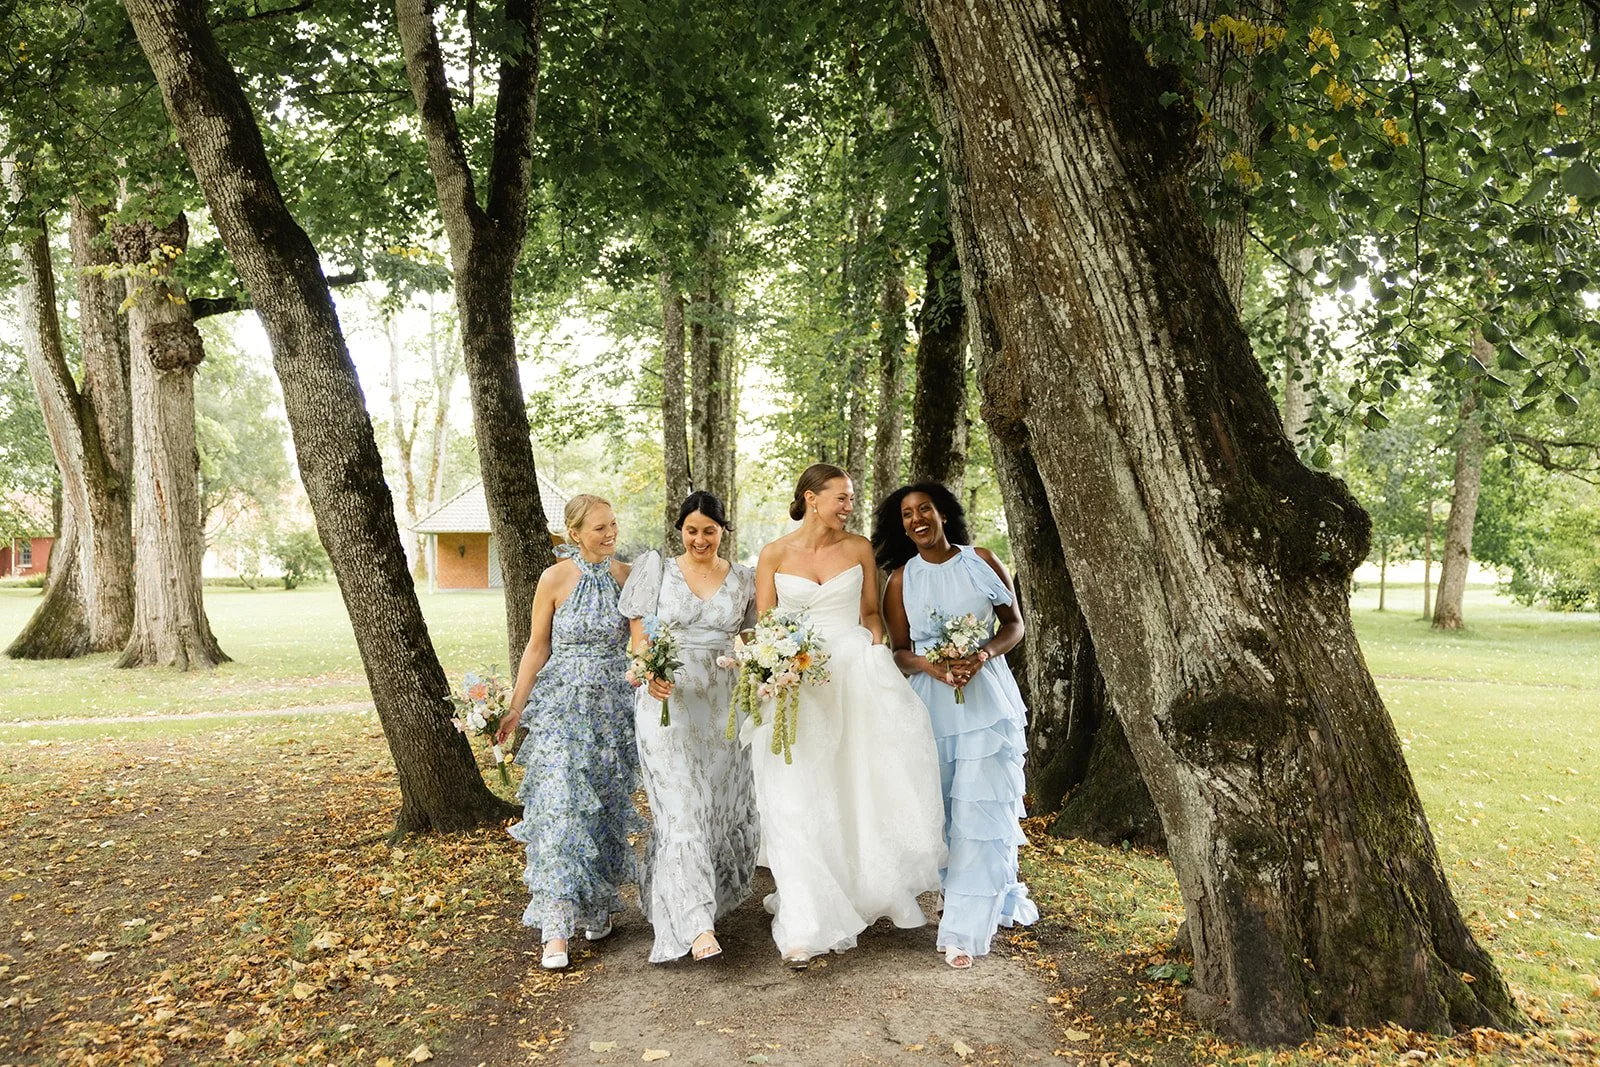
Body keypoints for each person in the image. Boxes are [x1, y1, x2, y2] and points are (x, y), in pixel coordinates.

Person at [744, 463, 947, 967]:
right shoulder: (772, 554)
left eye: (851, 497)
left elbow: (871, 614)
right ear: (811, 498)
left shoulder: (859, 549)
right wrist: (770, 668)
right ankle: (804, 915)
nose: (849, 505)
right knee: (794, 795)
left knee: (853, 786)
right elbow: (766, 624)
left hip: (853, 676)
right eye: (841, 497)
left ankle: (856, 888)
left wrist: (874, 652)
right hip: (794, 686)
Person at [874, 482, 1039, 969]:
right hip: (931, 707)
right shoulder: (901, 579)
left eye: (925, 509)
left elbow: (1014, 625)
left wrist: (981, 654)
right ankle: (956, 893)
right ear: (901, 525)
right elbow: (899, 653)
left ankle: (963, 929)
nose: (917, 519)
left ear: (943, 513)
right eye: (906, 514)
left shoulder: (983, 560)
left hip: (986, 701)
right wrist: (934, 666)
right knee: (944, 809)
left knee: (981, 809)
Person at [496, 494, 639, 971]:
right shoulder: (553, 578)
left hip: (613, 711)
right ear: (574, 533)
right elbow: (537, 648)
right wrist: (516, 709)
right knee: (559, 808)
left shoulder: (627, 576)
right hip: (561, 708)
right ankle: (555, 929)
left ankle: (596, 906)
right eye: (599, 527)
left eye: (613, 525)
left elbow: (643, 642)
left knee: (603, 807)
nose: (610, 533)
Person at [618, 491, 760, 964]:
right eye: (691, 529)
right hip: (667, 703)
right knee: (680, 808)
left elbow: (755, 642)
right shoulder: (656, 570)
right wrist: (648, 671)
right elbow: (640, 641)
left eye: (709, 530)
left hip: (723, 708)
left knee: (713, 810)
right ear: (680, 529)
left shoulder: (745, 579)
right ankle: (696, 926)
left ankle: (697, 906)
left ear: (723, 531)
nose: (700, 539)